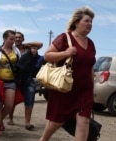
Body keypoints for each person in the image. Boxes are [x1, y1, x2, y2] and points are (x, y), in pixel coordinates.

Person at [39, 6, 96, 141]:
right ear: (76, 22)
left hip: (85, 90)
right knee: (57, 121)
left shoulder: (91, 43)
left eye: (91, 22)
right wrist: (66, 53)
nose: (90, 24)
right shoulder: (65, 38)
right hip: (65, 88)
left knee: (84, 121)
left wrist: (92, 87)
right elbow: (47, 56)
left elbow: (91, 66)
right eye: (87, 21)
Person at [7, 31, 43, 131]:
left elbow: (40, 44)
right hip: (15, 79)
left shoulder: (28, 49)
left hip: (29, 79)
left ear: (23, 39)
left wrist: (28, 44)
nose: (17, 39)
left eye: (19, 37)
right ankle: (10, 118)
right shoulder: (11, 49)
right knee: (12, 100)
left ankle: (27, 122)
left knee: (30, 100)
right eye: (16, 37)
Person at [0, 30, 21, 138]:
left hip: (11, 82)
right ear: (5, 39)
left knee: (9, 105)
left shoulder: (16, 52)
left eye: (14, 39)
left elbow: (20, 65)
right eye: (11, 39)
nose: (13, 41)